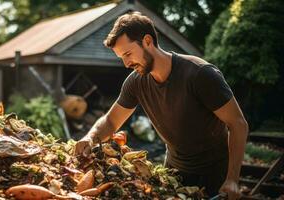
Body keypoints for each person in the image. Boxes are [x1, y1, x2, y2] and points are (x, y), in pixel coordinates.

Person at [74, 12, 248, 199]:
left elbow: (238, 124)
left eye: (128, 54)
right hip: (173, 171)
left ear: (147, 41)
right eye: (121, 58)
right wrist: (90, 138)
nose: (126, 64)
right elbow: (110, 121)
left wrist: (232, 180)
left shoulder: (200, 74)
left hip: (215, 174)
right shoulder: (136, 82)